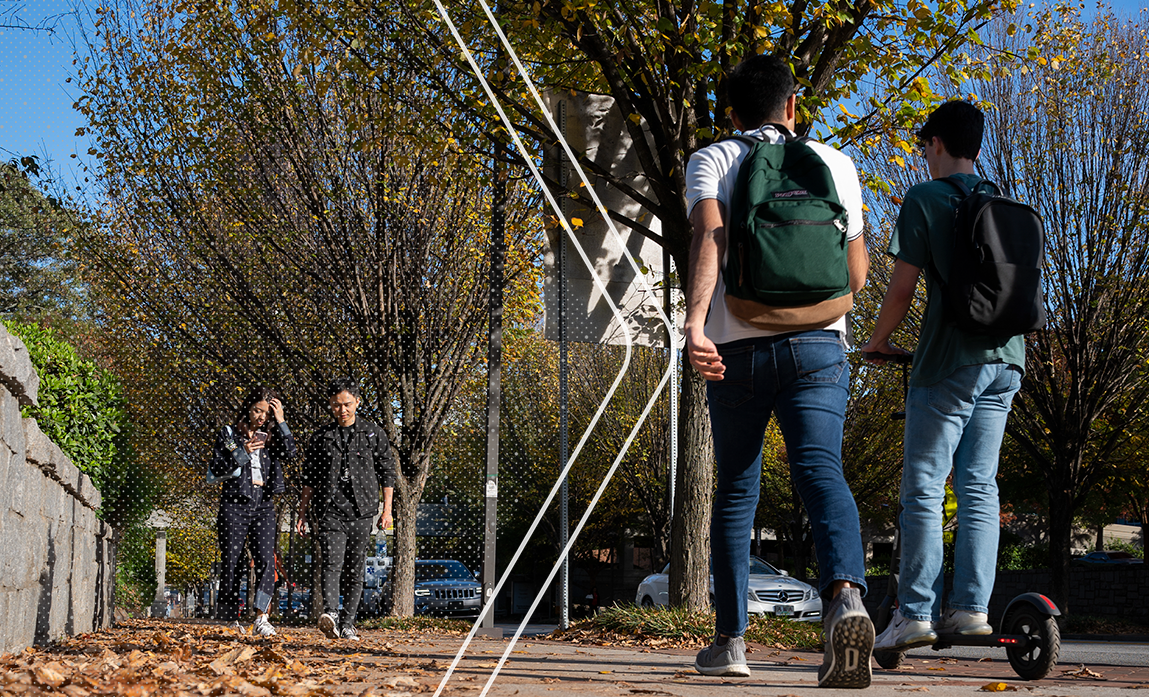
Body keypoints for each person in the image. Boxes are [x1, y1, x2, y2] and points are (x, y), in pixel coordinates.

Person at [683, 53, 873, 687]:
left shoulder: (713, 159)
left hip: (736, 345)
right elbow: (855, 274)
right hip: (820, 345)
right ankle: (845, 596)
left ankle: (731, 641)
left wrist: (695, 323)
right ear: (793, 107)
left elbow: (711, 238)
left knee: (737, 488)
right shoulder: (837, 165)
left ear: (731, 112)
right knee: (820, 470)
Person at [862, 100, 1024, 651]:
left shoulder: (925, 198)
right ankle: (972, 611)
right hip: (1006, 360)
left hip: (948, 361)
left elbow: (903, 288)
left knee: (925, 489)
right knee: (980, 487)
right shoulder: (1005, 199)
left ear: (935, 144)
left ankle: (914, 614)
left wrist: (878, 340)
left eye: (923, 146)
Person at [298, 377, 396, 642]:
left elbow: (388, 473)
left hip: (363, 510)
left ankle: (348, 623)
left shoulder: (374, 434)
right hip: (330, 508)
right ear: (330, 406)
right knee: (332, 562)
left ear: (357, 402)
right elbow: (309, 476)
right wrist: (303, 511)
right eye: (336, 405)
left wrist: (386, 511)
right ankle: (330, 613)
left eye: (347, 404)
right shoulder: (321, 437)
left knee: (355, 569)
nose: (342, 410)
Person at [210, 386, 296, 637]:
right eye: (258, 410)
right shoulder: (229, 434)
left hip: (264, 504)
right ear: (248, 408)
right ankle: (230, 619)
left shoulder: (272, 436)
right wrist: (243, 451)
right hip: (234, 503)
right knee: (232, 561)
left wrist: (281, 421)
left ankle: (262, 616)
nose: (261, 416)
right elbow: (217, 466)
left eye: (266, 413)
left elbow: (290, 452)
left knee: (267, 561)